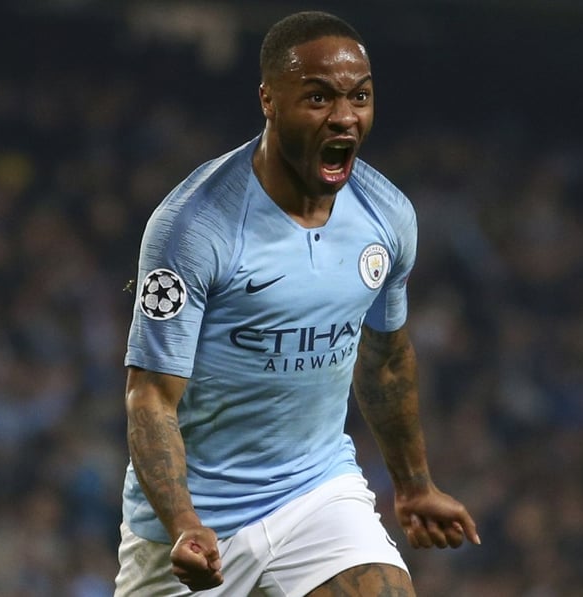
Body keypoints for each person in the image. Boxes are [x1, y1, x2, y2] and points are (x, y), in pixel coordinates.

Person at [115, 10, 479, 596]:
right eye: (318, 98)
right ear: (268, 100)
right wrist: (183, 522)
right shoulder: (193, 228)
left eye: (359, 96)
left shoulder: (386, 217)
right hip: (195, 526)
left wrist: (412, 484)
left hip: (314, 492)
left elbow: (384, 358)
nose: (344, 116)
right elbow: (151, 395)